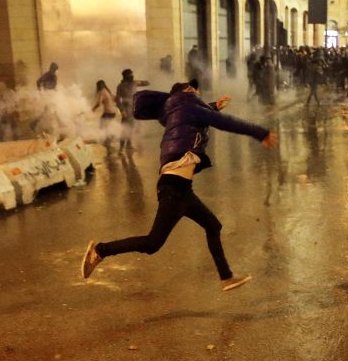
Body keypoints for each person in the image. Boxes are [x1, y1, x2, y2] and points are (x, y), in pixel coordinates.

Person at [82, 81, 279, 291]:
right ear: (187, 91)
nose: (198, 92)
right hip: (173, 189)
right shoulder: (190, 108)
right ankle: (100, 251)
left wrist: (212, 106)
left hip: (183, 190)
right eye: (194, 90)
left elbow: (191, 116)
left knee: (213, 226)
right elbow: (226, 123)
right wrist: (261, 132)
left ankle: (226, 277)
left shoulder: (177, 111)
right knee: (152, 243)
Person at [116, 68, 150, 152]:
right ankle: (121, 147)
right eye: (130, 74)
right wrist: (122, 110)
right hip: (126, 109)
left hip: (133, 108)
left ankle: (129, 144)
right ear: (125, 76)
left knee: (131, 128)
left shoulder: (134, 83)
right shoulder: (120, 86)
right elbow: (118, 100)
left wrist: (140, 81)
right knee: (124, 128)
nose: (132, 76)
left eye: (132, 74)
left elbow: (147, 83)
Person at [91, 80, 118, 149]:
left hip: (108, 112)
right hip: (113, 112)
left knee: (103, 125)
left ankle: (109, 139)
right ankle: (109, 139)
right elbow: (115, 99)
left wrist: (93, 109)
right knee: (106, 125)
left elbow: (99, 103)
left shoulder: (102, 91)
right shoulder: (107, 91)